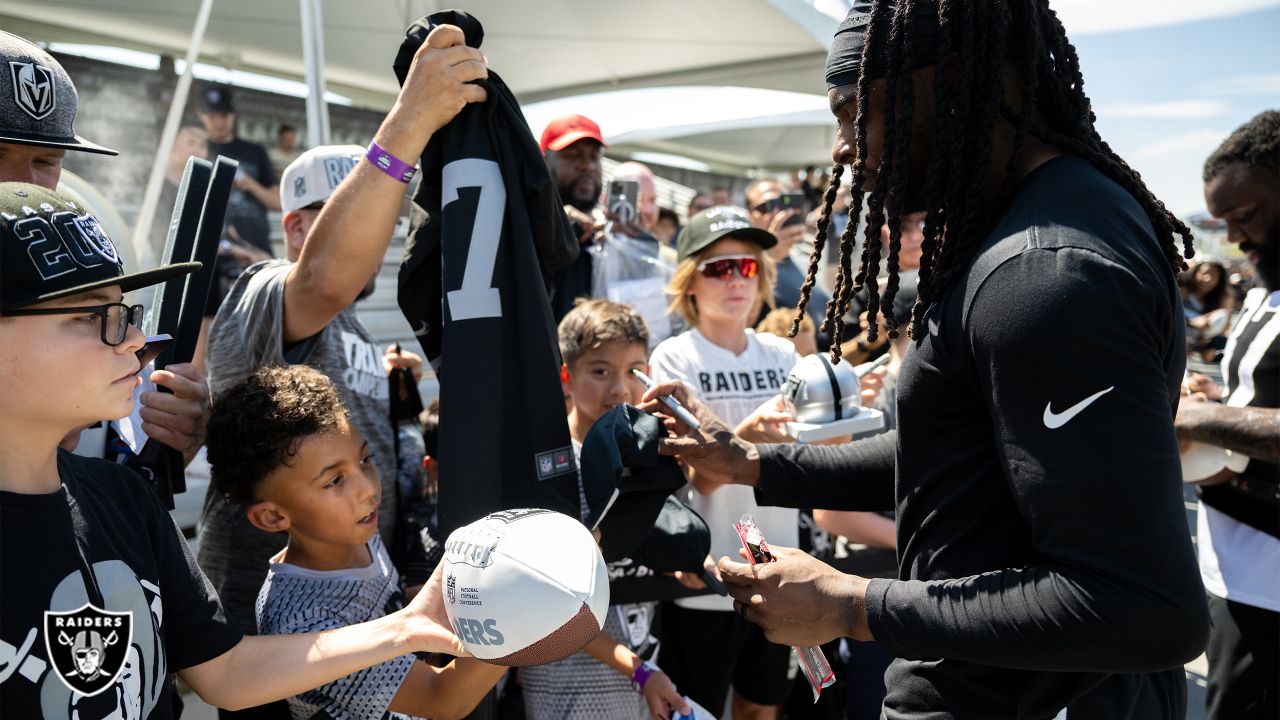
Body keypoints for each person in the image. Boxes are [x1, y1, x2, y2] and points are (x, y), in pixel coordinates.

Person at [641, 1, 1210, 717]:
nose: (842, 146)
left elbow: (1145, 608)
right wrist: (750, 466)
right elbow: (956, 446)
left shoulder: (1046, 273)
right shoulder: (1041, 221)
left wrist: (852, 604)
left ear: (945, 83)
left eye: (852, 112)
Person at [0, 182, 469, 719]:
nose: (134, 340)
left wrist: (406, 627)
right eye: (90, 316)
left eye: (125, 312)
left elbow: (223, 672)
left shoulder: (124, 498)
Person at [199, 22, 485, 712]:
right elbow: (324, 278)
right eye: (337, 212)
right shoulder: (267, 286)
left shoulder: (353, 328)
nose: (377, 227)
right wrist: (410, 121)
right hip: (276, 655)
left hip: (367, 609)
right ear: (296, 227)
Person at [203, 364, 504, 720]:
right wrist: (522, 614)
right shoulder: (304, 621)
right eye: (334, 481)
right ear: (273, 517)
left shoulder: (356, 530)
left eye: (364, 460)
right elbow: (441, 697)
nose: (367, 488)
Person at [0, 31, 210, 468]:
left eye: (46, 161)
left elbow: (117, 451)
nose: (23, 184)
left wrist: (169, 435)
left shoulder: (80, 253)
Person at [648, 206, 800, 720]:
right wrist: (747, 437)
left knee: (763, 708)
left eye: (747, 265)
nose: (735, 278)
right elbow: (696, 479)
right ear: (690, 282)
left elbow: (812, 456)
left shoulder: (782, 353)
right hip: (708, 575)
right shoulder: (673, 359)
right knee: (701, 712)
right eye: (717, 267)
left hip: (781, 568)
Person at [519, 299, 688, 720]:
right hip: (567, 683)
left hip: (644, 669)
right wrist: (641, 674)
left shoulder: (647, 453)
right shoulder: (546, 468)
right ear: (565, 376)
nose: (619, 389)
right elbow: (550, 602)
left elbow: (654, 543)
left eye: (633, 370)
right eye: (600, 371)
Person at [1177, 109, 1279, 720]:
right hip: (1235, 564)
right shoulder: (1265, 284)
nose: (1236, 238)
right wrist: (1218, 404)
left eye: (1246, 217)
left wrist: (1194, 421)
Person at [746, 178, 831, 349]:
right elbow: (740, 322)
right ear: (749, 215)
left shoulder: (804, 259)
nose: (777, 214)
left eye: (783, 204)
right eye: (766, 207)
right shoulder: (742, 264)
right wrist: (769, 257)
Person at [197, 83, 280, 256]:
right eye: (212, 116)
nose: (219, 122)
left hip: (257, 249)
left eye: (224, 115)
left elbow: (278, 203)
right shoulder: (196, 151)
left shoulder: (255, 152)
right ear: (201, 115)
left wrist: (250, 184)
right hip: (212, 253)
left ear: (233, 115)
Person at [542, 113, 607, 320]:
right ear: (544, 162)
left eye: (594, 156)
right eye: (572, 154)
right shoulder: (524, 228)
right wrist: (557, 222)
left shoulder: (609, 235)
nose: (587, 165)